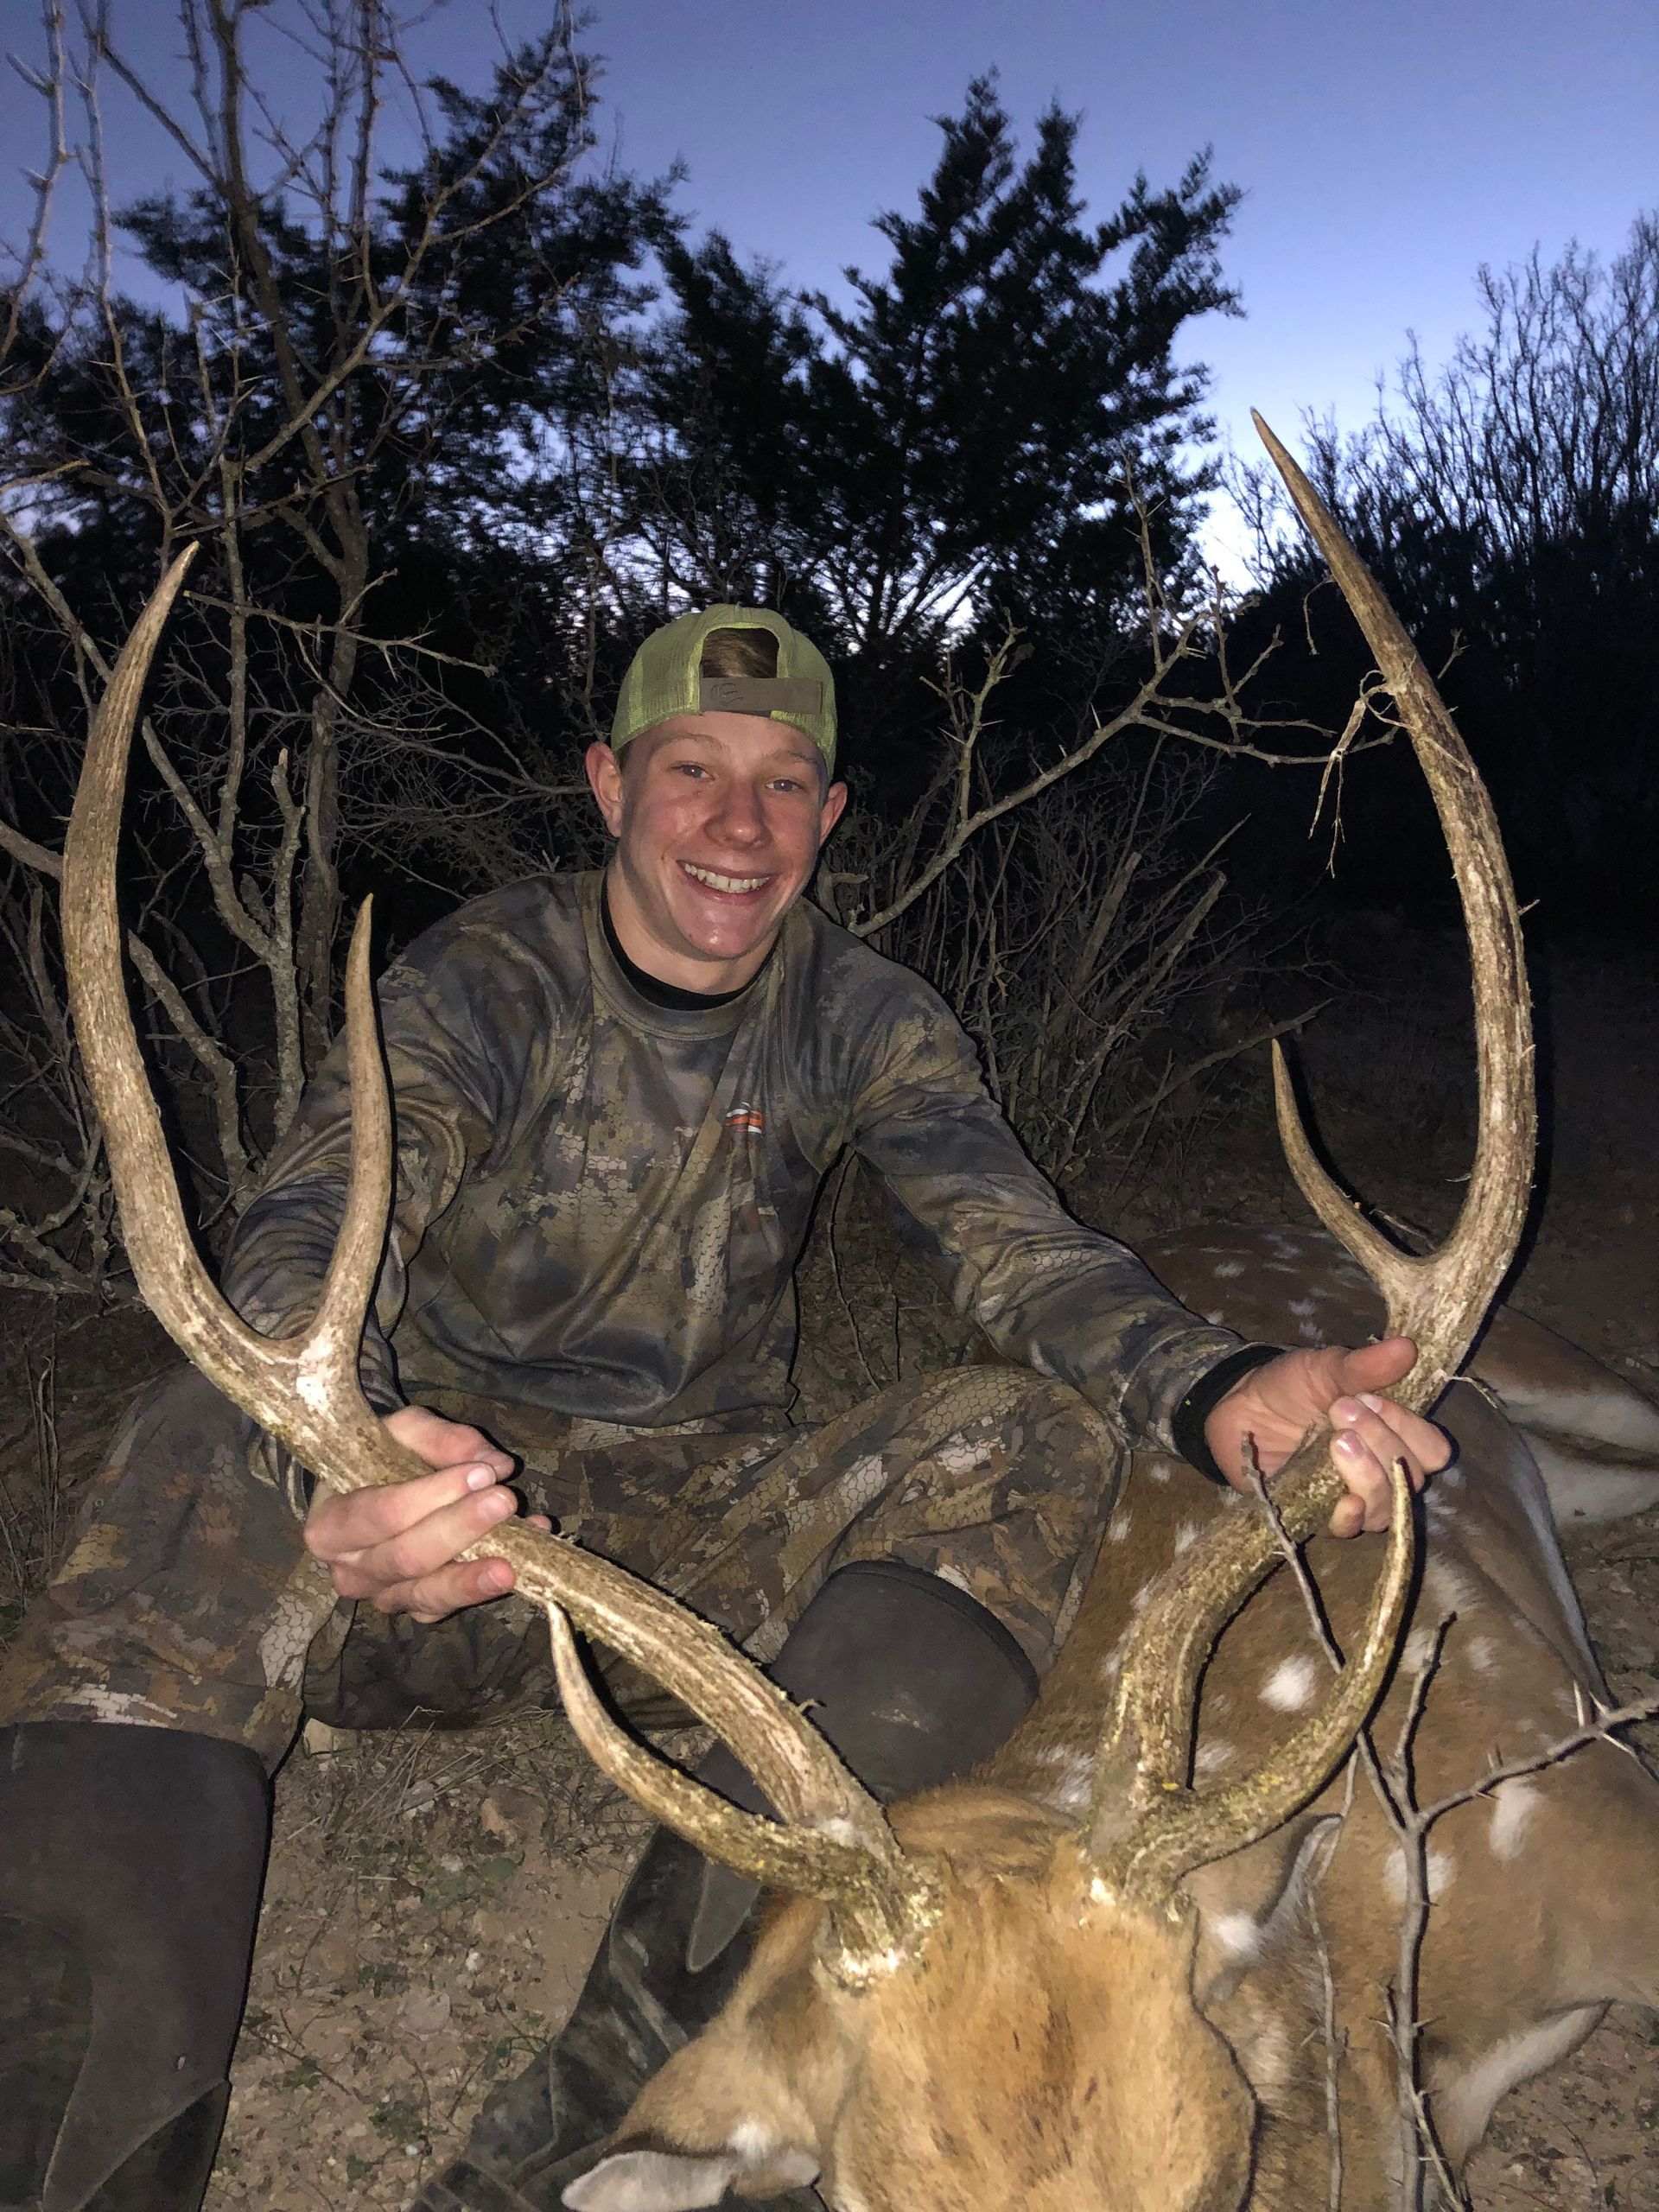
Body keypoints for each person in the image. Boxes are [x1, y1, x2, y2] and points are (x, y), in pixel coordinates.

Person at [0, 607, 1444, 2212]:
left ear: (828, 818)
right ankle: (64, 2156)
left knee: (1022, 1439)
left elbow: (1020, 1253)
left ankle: (613, 2122)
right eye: (693, 769)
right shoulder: (486, 975)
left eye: (783, 782)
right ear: (611, 785)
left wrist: (1222, 1386)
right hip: (413, 1520)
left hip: (689, 1569)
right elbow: (315, 1208)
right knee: (199, 1443)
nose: (736, 825)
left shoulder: (868, 1014)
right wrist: (342, 1437)